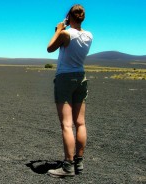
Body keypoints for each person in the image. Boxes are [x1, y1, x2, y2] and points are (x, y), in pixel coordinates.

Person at [46, 4, 93, 177]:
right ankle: (79, 163)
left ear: (69, 17)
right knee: (80, 123)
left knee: (66, 124)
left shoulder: (66, 34)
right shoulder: (89, 35)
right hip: (81, 77)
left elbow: (50, 47)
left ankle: (67, 166)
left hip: (65, 78)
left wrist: (58, 29)